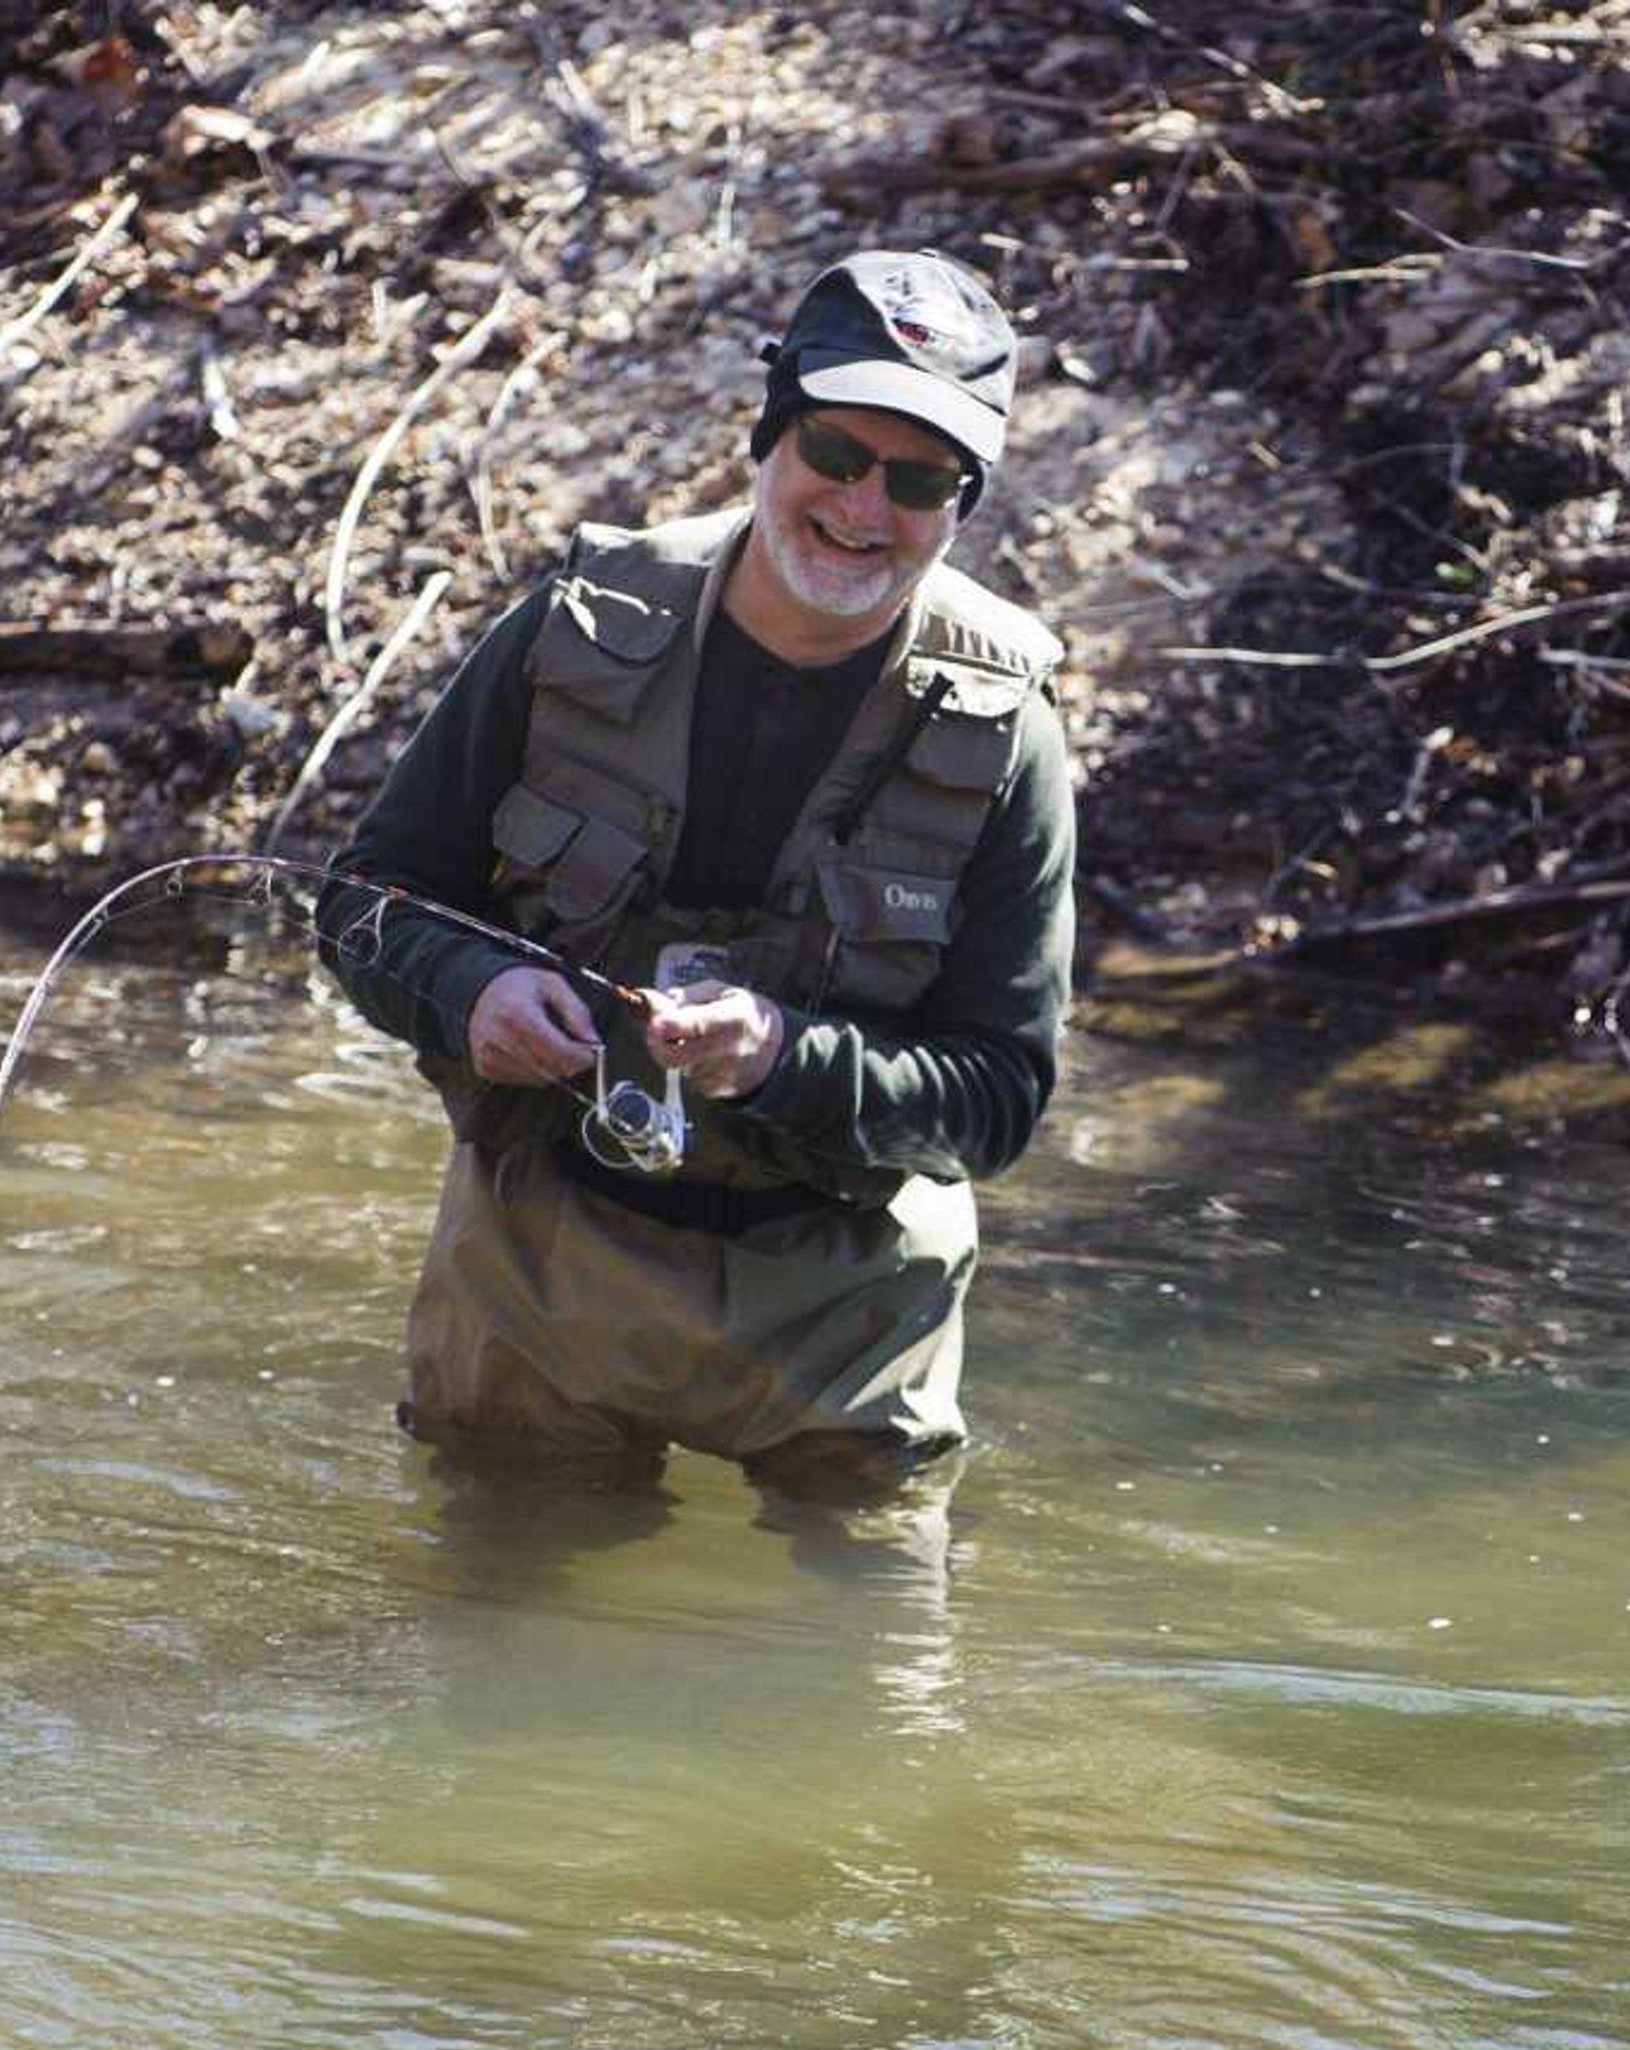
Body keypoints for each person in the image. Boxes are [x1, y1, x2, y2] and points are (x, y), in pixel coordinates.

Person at [316, 248, 1075, 1539]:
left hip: (852, 1301)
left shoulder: (1010, 734)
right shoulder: (571, 628)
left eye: (919, 480)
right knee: (498, 1684)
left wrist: (785, 1058)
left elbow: (997, 1102)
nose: (862, 506)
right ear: (767, 437)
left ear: (961, 504)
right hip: (542, 1257)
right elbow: (367, 899)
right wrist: (472, 989)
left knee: (870, 1710)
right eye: (836, 452)